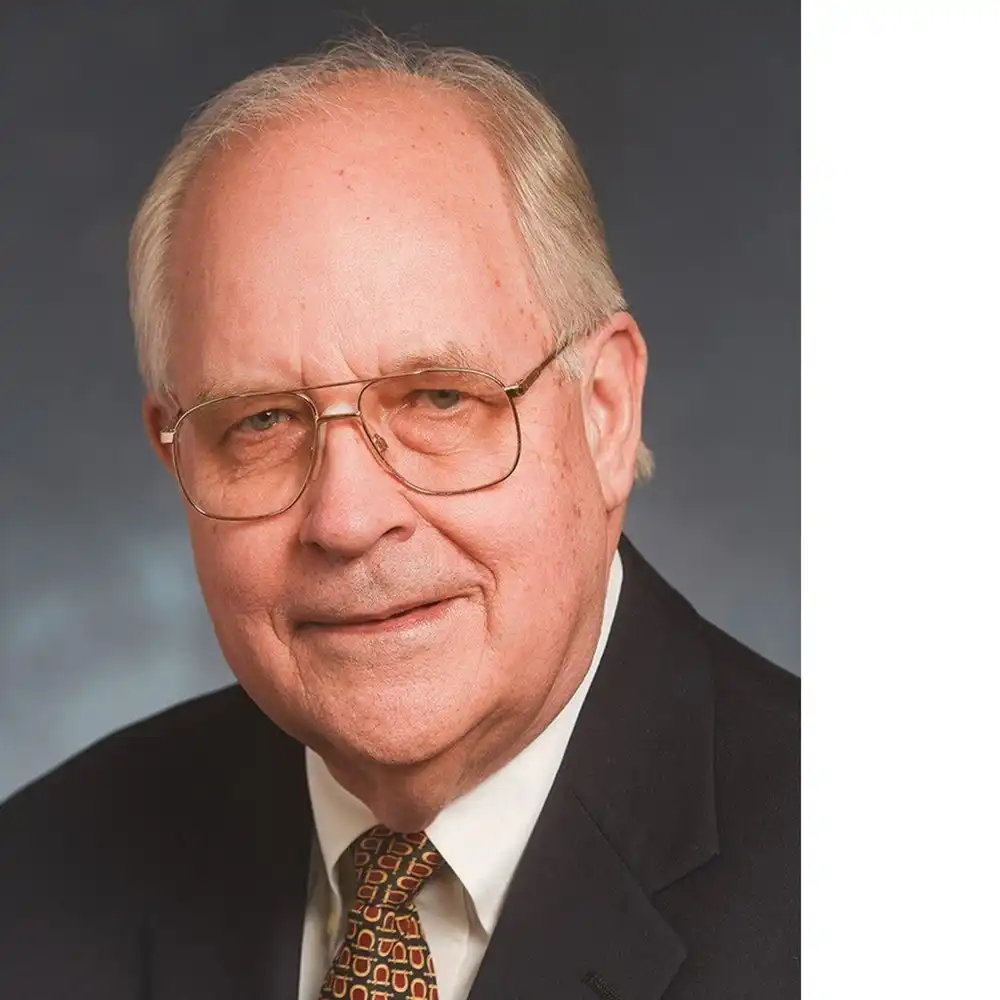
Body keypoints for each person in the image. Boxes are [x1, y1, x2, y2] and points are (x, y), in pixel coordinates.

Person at [0, 35, 798, 1000]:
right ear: (175, 454)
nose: (346, 517)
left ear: (604, 414)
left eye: (438, 400)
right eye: (259, 421)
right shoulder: (35, 883)